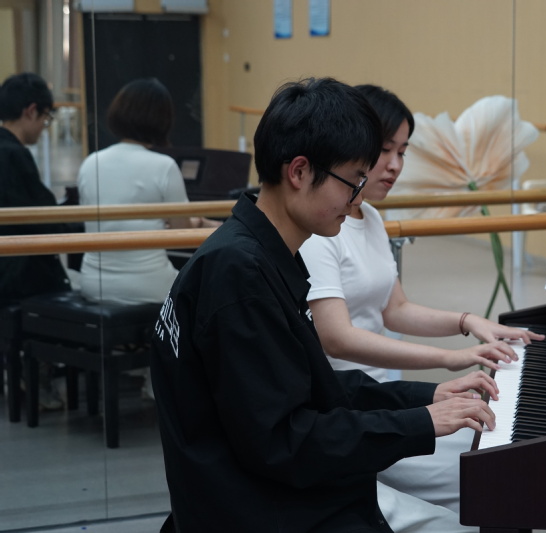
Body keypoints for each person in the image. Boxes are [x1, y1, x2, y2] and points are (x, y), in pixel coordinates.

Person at [149, 77, 499, 533]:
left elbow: (312, 386)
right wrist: (419, 423)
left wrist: (425, 396)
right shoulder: (239, 273)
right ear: (298, 172)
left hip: (273, 486)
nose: (357, 199)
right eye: (353, 181)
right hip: (260, 506)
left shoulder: (255, 251)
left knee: (481, 478)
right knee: (467, 510)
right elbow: (285, 442)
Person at [299, 84, 542, 514]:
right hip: (352, 410)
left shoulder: (370, 217)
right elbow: (337, 338)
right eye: (385, 150)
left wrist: (468, 322)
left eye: (403, 151)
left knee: (494, 444)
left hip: (389, 395)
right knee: (490, 467)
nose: (395, 165)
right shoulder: (322, 230)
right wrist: (450, 358)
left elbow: (396, 309)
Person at [77, 78, 220, 400]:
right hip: (144, 285)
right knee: (205, 294)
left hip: (93, 281)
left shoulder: (91, 161)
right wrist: (200, 222)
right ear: (162, 119)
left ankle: (149, 370)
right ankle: (171, 380)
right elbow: (185, 235)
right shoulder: (163, 165)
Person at [0, 72, 78, 410]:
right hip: (14, 274)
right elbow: (39, 215)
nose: (44, 128)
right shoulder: (13, 154)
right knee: (65, 282)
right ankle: (40, 378)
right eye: (45, 119)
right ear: (31, 111)